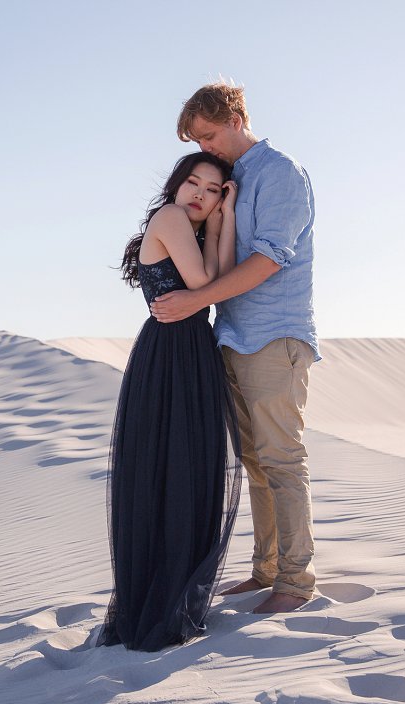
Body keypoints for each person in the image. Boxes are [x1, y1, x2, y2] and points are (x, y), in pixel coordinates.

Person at [151, 83, 319, 614]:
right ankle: (265, 571)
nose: (206, 147)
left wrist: (195, 299)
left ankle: (296, 581)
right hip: (231, 334)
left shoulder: (279, 173)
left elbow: (270, 259)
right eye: (196, 140)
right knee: (253, 461)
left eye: (209, 134)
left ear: (236, 116)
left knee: (282, 459)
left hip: (276, 335)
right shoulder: (229, 180)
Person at [96, 151, 242, 651]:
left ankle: (175, 594)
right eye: (193, 184)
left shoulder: (197, 228)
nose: (199, 195)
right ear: (175, 187)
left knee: (193, 468)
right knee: (169, 468)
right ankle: (156, 601)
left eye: (213, 189)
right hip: (168, 353)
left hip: (193, 349)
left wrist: (221, 224)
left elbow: (218, 283)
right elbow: (206, 283)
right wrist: (219, 222)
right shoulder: (172, 217)